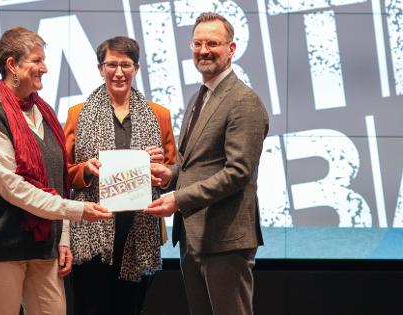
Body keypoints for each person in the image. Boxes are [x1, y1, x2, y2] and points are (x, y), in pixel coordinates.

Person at [0, 27, 112, 315]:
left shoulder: (43, 113)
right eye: (36, 60)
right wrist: (77, 210)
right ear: (12, 65)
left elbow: (56, 181)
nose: (44, 68)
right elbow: (12, 187)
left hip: (43, 246)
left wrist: (63, 239)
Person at [145, 13, 269, 315]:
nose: (203, 50)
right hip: (195, 236)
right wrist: (170, 175)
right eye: (197, 43)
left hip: (225, 239)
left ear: (232, 48)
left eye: (213, 43)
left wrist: (178, 198)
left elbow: (238, 172)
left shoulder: (244, 101)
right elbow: (194, 163)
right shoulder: (200, 96)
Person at [63, 36, 177, 315]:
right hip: (92, 228)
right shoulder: (77, 114)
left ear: (136, 68)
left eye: (125, 64)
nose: (118, 72)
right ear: (100, 68)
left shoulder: (159, 114)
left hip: (138, 230)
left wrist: (163, 171)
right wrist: (86, 170)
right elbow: (64, 173)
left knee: (130, 308)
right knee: (90, 307)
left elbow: (174, 171)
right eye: (111, 64)